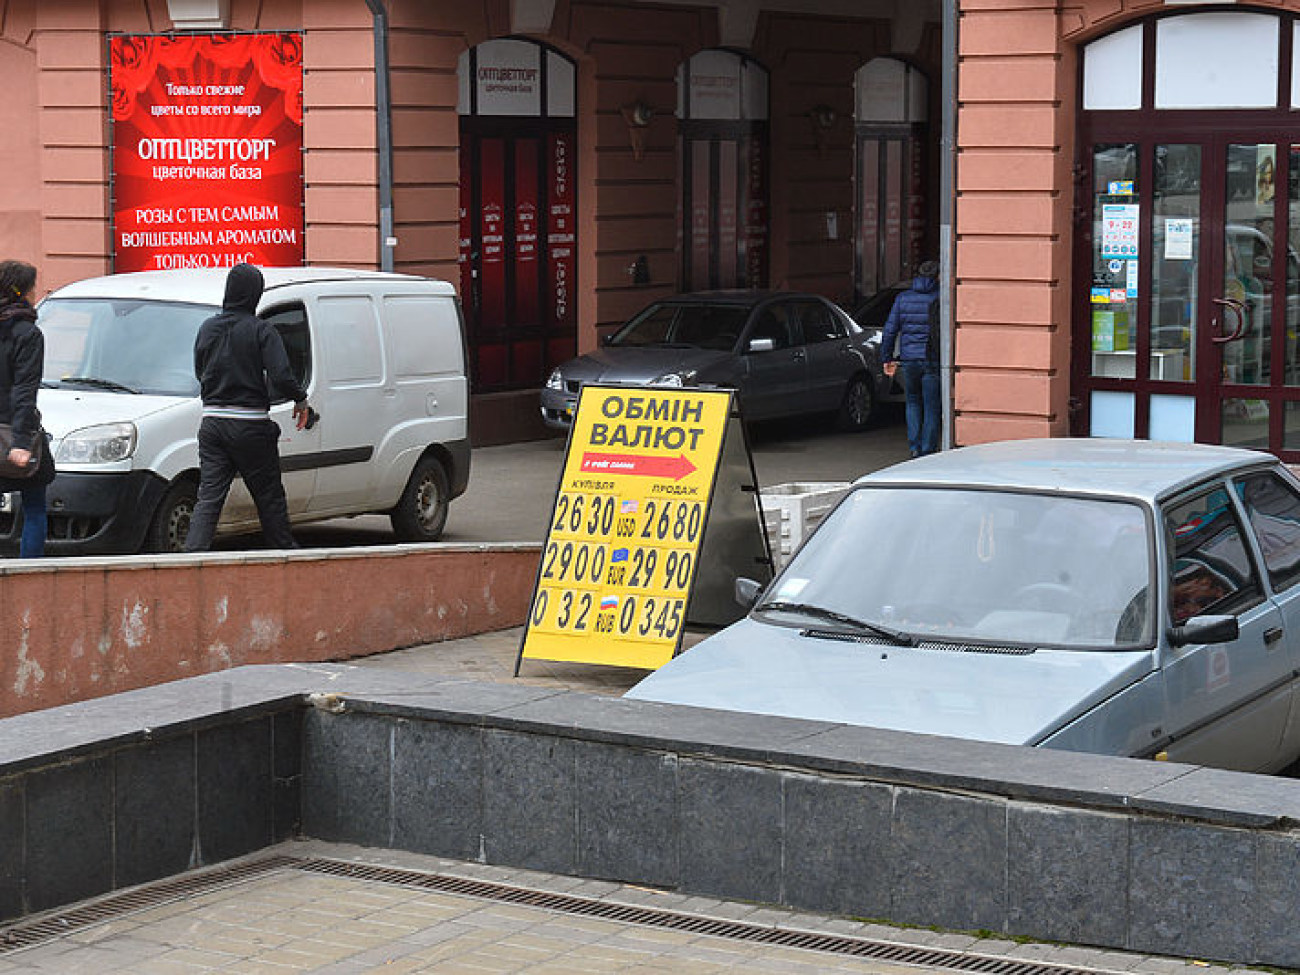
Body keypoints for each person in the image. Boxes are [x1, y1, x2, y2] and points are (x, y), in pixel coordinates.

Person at [185, 263, 312, 551]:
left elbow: (199, 370)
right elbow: (281, 375)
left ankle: (191, 559)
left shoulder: (207, 328)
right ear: (254, 295)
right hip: (251, 425)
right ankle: (284, 555)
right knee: (268, 496)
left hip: (213, 423)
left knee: (209, 498)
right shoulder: (262, 331)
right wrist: (300, 398)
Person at [0, 260, 55, 558]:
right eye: (34, 287)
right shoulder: (27, 334)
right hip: (15, 434)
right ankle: (28, 574)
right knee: (35, 507)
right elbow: (24, 390)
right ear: (23, 292)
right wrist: (21, 442)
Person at [880, 259, 942, 457]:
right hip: (931, 358)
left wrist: (886, 357)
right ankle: (928, 449)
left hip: (908, 360)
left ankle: (914, 447)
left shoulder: (903, 298)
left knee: (913, 402)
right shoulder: (941, 297)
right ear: (937, 276)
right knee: (932, 405)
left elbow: (890, 330)